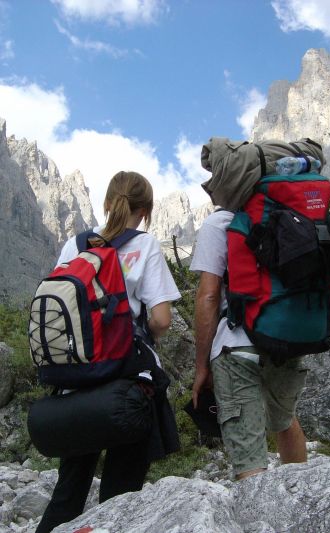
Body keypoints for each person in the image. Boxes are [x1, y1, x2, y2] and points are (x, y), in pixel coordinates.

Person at [36, 171, 181, 533]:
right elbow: (162, 319)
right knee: (121, 495)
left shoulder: (74, 245)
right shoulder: (145, 245)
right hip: (125, 384)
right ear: (145, 211)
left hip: (76, 382)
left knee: (68, 491)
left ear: (106, 202)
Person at [190, 209, 307, 480]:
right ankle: (302, 503)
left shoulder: (219, 222)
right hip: (286, 340)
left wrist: (201, 366)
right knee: (285, 420)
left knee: (249, 455)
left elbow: (208, 296)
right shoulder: (285, 211)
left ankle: (261, 521)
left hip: (236, 347)